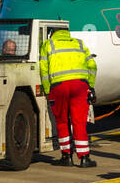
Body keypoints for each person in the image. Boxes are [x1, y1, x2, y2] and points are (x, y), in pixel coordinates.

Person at [40, 28, 98, 167]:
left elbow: (44, 69)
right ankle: (84, 158)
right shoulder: (79, 43)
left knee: (62, 121)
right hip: (80, 85)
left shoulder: (48, 44)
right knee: (79, 122)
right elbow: (92, 65)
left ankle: (66, 156)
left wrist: (48, 90)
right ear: (67, 33)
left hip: (59, 86)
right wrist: (90, 85)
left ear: (52, 33)